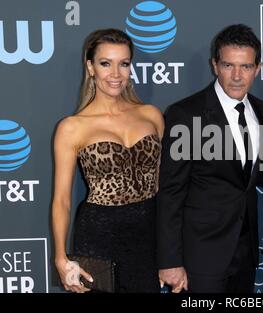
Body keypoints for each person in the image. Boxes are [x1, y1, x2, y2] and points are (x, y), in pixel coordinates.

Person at [156, 24, 263, 293]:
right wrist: (170, 261)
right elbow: (170, 192)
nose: (237, 76)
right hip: (201, 254)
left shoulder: (262, 111)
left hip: (246, 252)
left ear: (258, 68)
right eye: (229, 65)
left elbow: (257, 176)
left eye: (246, 67)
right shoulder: (186, 114)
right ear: (215, 65)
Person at [52, 28, 164, 293]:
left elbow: (160, 186)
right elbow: (62, 200)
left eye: (124, 64)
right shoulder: (72, 127)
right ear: (90, 67)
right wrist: (60, 256)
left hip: (147, 233)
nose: (116, 74)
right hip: (98, 233)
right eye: (106, 63)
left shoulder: (151, 116)